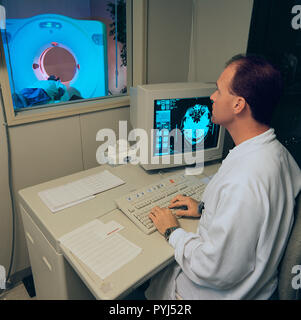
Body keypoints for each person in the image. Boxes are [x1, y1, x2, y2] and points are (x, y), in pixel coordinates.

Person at [145, 54, 301, 300]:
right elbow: (253, 218)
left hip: (217, 293)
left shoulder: (245, 180)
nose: (212, 97)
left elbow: (214, 269)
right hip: (257, 281)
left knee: (151, 274)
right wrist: (205, 208)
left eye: (219, 91)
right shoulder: (279, 154)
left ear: (238, 105)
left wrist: (171, 231)